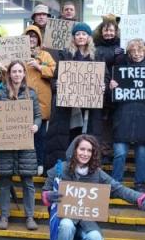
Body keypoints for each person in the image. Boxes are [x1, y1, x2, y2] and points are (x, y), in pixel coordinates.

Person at [43, 135, 145, 240]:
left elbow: (118, 189)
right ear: (74, 150)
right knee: (67, 225)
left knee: (95, 239)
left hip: (85, 219)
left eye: (89, 150)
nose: (85, 153)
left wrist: (141, 198)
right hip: (64, 218)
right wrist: (49, 196)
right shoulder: (61, 169)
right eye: (82, 149)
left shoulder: (97, 173)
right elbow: (46, 191)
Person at [0, 61, 41, 230]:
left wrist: (36, 126)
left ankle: (30, 216)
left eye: (20, 71)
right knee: (4, 182)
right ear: (9, 74)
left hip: (25, 144)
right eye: (14, 71)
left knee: (28, 182)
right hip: (5, 145)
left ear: (24, 73)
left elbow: (37, 115)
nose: (17, 74)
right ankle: (4, 216)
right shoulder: (0, 93)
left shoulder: (31, 94)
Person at [44, 22, 106, 172]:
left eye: (84, 34)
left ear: (89, 37)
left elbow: (105, 77)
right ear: (73, 37)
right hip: (67, 110)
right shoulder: (65, 54)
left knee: (85, 139)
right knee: (67, 139)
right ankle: (62, 171)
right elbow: (54, 78)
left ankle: (84, 172)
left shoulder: (97, 56)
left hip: (88, 110)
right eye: (77, 34)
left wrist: (103, 86)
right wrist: (56, 84)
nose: (80, 37)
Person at [109, 38, 145, 192]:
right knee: (120, 154)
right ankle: (116, 185)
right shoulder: (119, 73)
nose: (136, 54)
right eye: (133, 51)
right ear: (128, 53)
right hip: (122, 121)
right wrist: (111, 90)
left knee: (142, 156)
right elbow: (110, 103)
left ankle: (140, 185)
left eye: (139, 50)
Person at [24, 25, 56, 173]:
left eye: (34, 37)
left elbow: (54, 71)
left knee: (41, 135)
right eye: (29, 36)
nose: (31, 39)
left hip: (42, 101)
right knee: (24, 133)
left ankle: (40, 163)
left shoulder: (45, 55)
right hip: (23, 100)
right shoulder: (18, 54)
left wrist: (39, 66)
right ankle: (26, 164)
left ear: (39, 39)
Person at [94, 15, 124, 158]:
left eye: (111, 31)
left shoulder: (122, 47)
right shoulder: (94, 47)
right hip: (98, 90)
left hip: (115, 89)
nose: (108, 33)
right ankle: (102, 152)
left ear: (116, 31)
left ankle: (110, 152)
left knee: (113, 122)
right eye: (106, 31)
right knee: (101, 123)